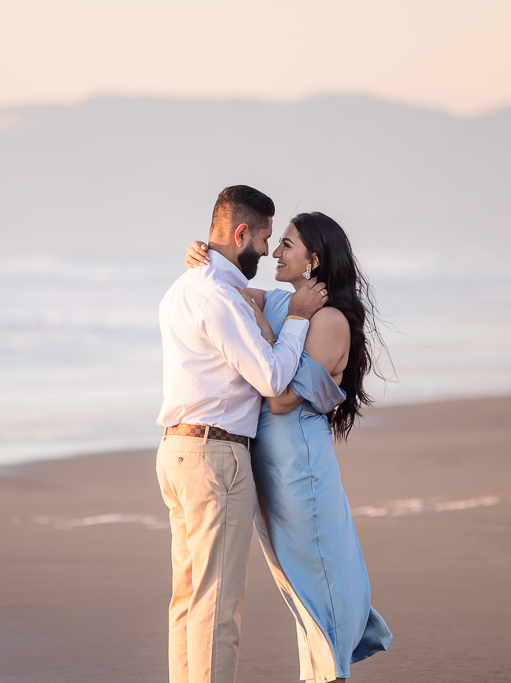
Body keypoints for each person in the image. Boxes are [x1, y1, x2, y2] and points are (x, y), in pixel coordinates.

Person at [185, 211, 392, 682]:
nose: (274, 252)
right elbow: (226, 293)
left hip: (301, 471)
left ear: (313, 261)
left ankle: (329, 674)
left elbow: (280, 400)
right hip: (275, 472)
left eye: (287, 245)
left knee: (316, 584)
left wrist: (271, 318)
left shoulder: (329, 320)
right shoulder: (284, 302)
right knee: (296, 588)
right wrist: (201, 256)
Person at [156, 186, 329, 683]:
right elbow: (272, 379)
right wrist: (297, 318)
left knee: (188, 601)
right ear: (240, 234)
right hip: (216, 460)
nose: (268, 250)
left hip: (176, 451)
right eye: (265, 238)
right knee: (217, 607)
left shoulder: (184, 288)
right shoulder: (218, 297)